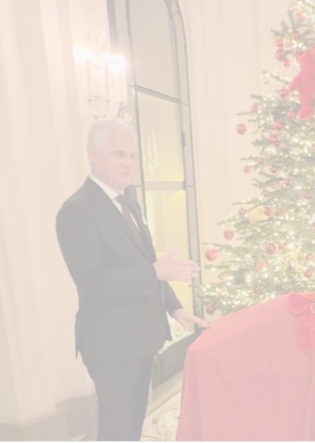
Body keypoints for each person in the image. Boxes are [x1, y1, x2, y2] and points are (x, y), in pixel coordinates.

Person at [56, 119, 209, 441]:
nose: (127, 163)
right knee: (117, 430)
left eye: (131, 156)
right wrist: (155, 272)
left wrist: (175, 308)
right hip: (112, 345)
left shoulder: (129, 202)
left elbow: (150, 265)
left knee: (133, 424)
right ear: (92, 154)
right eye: (118, 154)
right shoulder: (76, 211)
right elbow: (93, 281)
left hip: (141, 338)